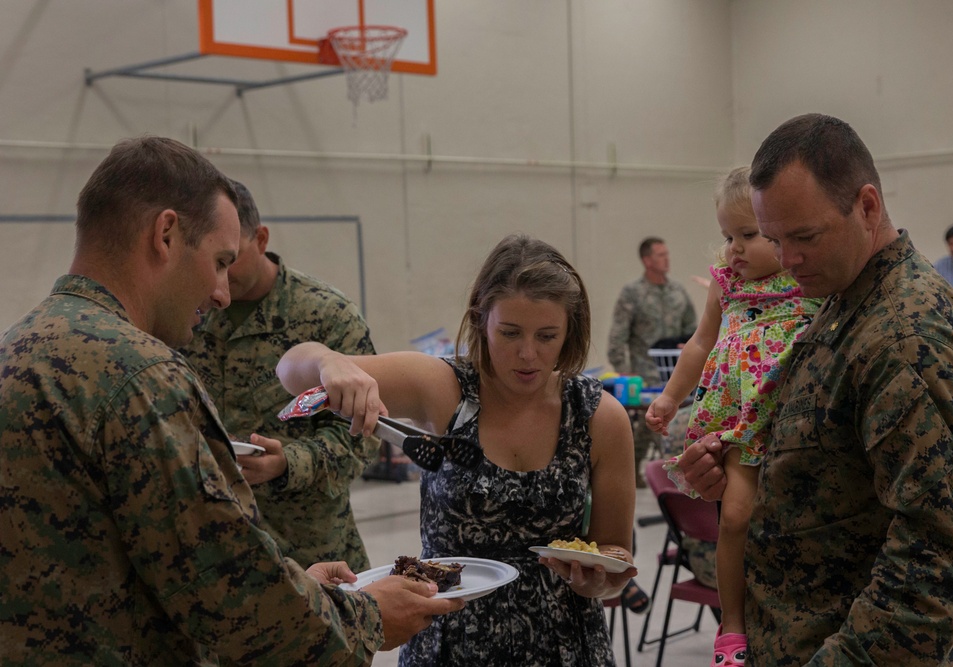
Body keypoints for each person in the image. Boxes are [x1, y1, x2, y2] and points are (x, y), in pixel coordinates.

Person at [0, 136, 462, 664]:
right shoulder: (141, 374)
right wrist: (367, 617)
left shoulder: (20, 345)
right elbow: (232, 592)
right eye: (219, 261)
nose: (221, 292)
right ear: (165, 234)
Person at [676, 113, 953, 665]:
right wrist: (732, 462)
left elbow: (933, 572)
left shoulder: (907, 336)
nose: (787, 261)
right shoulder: (839, 299)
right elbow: (827, 459)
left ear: (867, 207)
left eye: (805, 237)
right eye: (773, 239)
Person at [277, 234, 638, 666]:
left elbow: (615, 551)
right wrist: (329, 363)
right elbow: (292, 369)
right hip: (448, 638)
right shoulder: (443, 389)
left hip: (563, 643)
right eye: (509, 333)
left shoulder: (598, 417)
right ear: (481, 320)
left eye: (547, 336)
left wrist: (600, 583)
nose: (527, 354)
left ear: (570, 332)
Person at [646, 166, 822, 664]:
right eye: (728, 236)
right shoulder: (726, 285)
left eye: (749, 234)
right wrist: (669, 398)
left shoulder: (805, 280)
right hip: (743, 424)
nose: (735, 248)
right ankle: (732, 626)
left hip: (794, 421)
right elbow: (701, 342)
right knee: (736, 517)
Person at [179, 181, 378, 572]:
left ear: (261, 238)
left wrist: (288, 462)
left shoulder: (326, 317)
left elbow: (364, 436)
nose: (219, 279)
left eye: (230, 260)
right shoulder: (186, 311)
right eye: (213, 260)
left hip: (311, 553)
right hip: (215, 554)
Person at [608, 236, 697, 489]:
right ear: (647, 260)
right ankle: (633, 472)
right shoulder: (633, 293)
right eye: (660, 255)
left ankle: (673, 475)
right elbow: (618, 336)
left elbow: (694, 331)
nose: (666, 259)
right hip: (643, 374)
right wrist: (624, 373)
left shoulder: (677, 291)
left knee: (678, 423)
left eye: (667, 254)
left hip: (675, 372)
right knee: (649, 426)